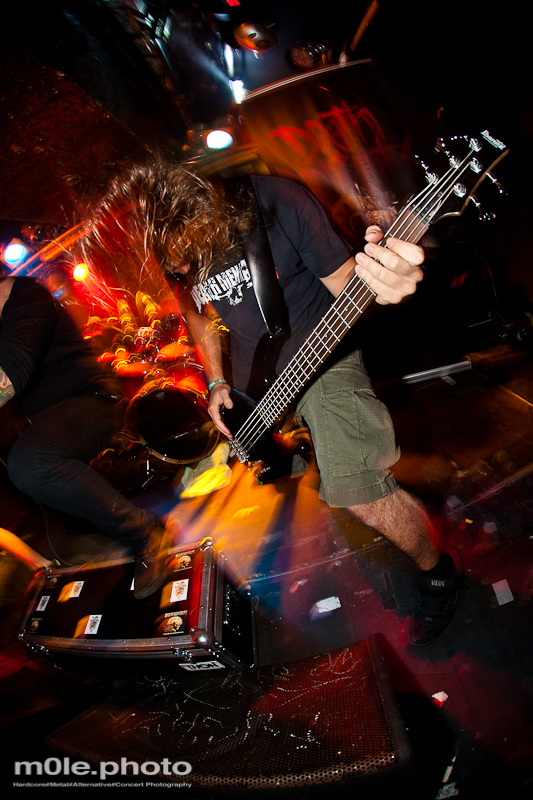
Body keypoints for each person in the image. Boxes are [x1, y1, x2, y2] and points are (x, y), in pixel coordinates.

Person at [88, 162, 462, 645]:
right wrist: (217, 380)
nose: (177, 261)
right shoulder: (164, 240)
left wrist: (389, 283)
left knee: (359, 492)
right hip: (255, 384)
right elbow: (195, 311)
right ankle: (306, 453)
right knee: (287, 470)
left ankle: (440, 572)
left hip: (323, 354)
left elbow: (349, 285)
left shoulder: (275, 201)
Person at [0, 272, 171, 598]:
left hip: (94, 400)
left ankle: (145, 532)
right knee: (28, 464)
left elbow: (13, 369)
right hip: (56, 420)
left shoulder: (26, 297)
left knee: (30, 463)